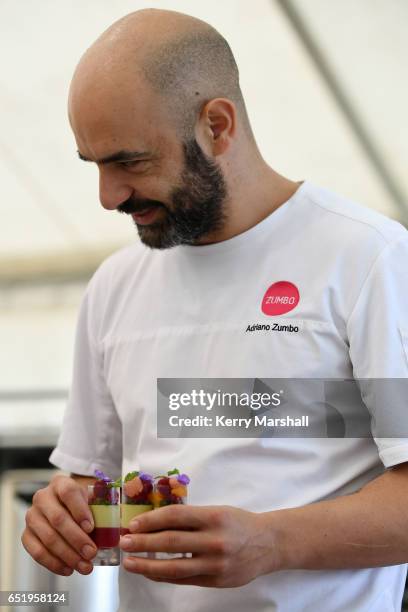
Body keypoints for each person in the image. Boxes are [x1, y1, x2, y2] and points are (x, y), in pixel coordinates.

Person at [21, 8, 408, 612]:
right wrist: (61, 513)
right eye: (94, 165)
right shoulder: (115, 286)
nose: (107, 196)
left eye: (129, 161)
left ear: (217, 125)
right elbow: (86, 484)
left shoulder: (366, 258)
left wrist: (274, 542)